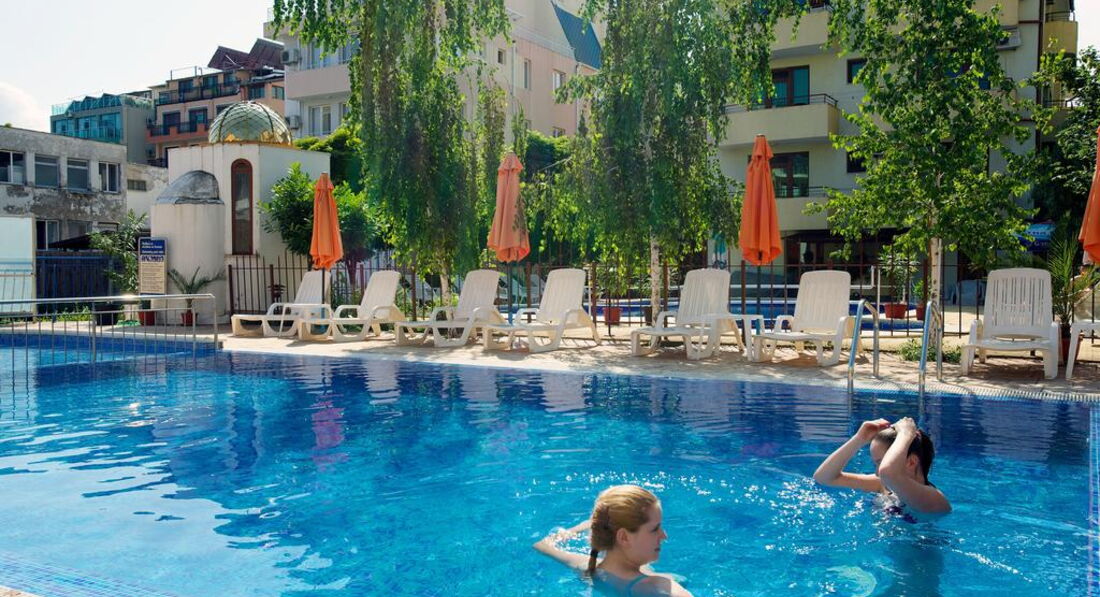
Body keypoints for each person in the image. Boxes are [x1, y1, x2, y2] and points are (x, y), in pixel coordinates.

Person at [533, 485, 692, 596]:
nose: (664, 536)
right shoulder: (658, 586)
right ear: (624, 537)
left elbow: (541, 545)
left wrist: (577, 529)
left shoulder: (588, 568)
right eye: (654, 529)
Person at [813, 417, 951, 515]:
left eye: (881, 462)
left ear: (911, 462)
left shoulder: (933, 498)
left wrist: (906, 433)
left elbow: (888, 473)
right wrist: (859, 438)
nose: (877, 473)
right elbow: (824, 477)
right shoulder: (883, 485)